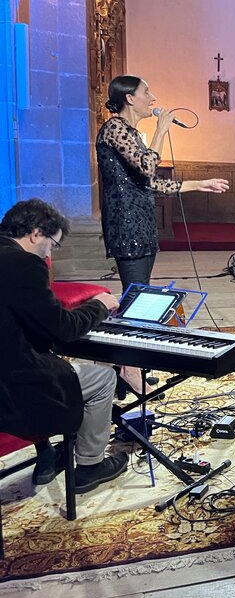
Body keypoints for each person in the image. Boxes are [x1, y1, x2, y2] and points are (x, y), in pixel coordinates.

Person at [0, 199, 128, 494]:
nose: (49, 253)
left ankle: (48, 451)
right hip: (14, 385)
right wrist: (98, 306)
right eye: (52, 245)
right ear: (35, 233)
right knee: (103, 378)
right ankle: (90, 465)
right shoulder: (23, 263)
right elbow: (63, 330)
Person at [97, 76, 230, 294]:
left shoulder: (132, 135)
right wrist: (160, 131)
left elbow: (150, 182)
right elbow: (147, 167)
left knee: (141, 292)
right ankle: (130, 328)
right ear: (129, 98)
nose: (153, 98)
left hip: (143, 224)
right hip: (126, 225)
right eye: (146, 92)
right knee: (135, 296)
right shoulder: (114, 128)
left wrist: (199, 184)